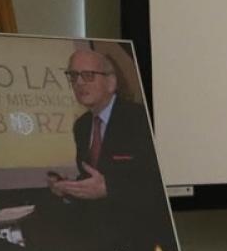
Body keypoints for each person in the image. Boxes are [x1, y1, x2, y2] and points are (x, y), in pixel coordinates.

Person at [48, 47, 156, 204]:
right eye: (73, 76)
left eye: (88, 75)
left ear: (111, 82)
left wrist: (110, 188)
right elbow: (92, 180)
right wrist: (70, 188)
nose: (79, 82)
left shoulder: (141, 119)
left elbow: (157, 180)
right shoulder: (82, 126)